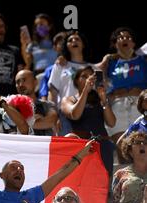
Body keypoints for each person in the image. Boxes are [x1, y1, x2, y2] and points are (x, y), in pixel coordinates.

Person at [95, 27, 147, 161]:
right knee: (122, 145)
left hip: (139, 105)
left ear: (134, 44)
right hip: (117, 105)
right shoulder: (110, 61)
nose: (125, 39)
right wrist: (104, 62)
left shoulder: (143, 60)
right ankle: (124, 180)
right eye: (120, 37)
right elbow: (94, 73)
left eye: (128, 37)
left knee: (142, 144)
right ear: (115, 44)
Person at [61, 66, 116, 178]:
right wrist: (85, 91)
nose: (88, 79)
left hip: (102, 146)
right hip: (81, 147)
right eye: (84, 76)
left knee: (104, 185)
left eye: (91, 76)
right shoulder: (68, 100)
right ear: (76, 80)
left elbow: (111, 123)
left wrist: (104, 100)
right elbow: (75, 115)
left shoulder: (99, 99)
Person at [48, 31, 92, 136]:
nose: (74, 41)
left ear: (83, 44)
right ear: (66, 46)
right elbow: (52, 93)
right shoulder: (60, 65)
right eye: (70, 40)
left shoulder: (93, 68)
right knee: (67, 150)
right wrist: (55, 116)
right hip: (65, 115)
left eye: (77, 39)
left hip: (89, 114)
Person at [110, 132, 147, 203]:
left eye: (146, 142)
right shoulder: (120, 174)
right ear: (130, 151)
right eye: (138, 142)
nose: (142, 145)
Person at [15, 70, 58, 136]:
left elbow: (50, 122)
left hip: (43, 145)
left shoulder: (48, 105)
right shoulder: (11, 107)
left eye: (24, 80)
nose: (21, 84)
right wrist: (35, 120)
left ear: (35, 82)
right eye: (18, 82)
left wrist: (20, 122)